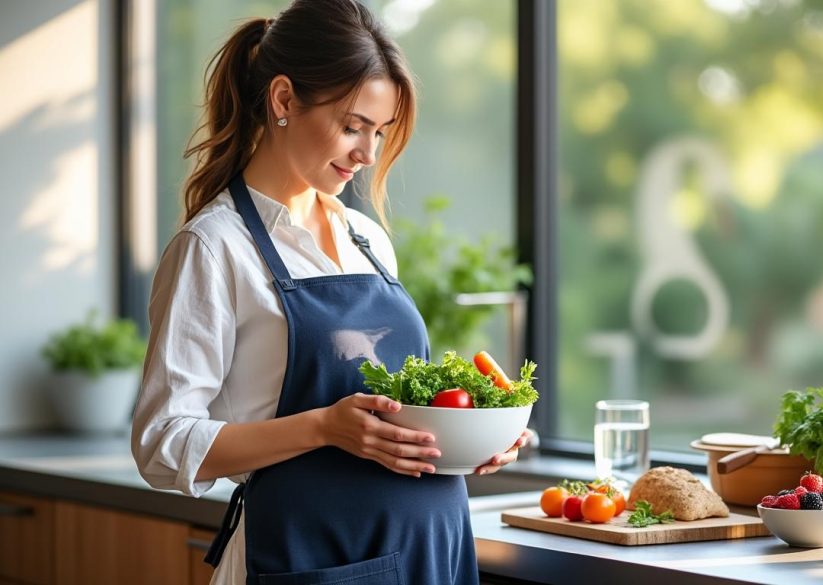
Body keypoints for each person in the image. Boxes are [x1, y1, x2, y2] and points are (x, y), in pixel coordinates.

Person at [130, 2, 528, 583]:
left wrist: (470, 436)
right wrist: (322, 427)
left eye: (380, 131)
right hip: (308, 555)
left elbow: (389, 414)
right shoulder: (214, 247)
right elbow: (162, 444)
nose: (368, 154)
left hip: (430, 551)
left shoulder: (364, 237)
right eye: (352, 126)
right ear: (284, 100)